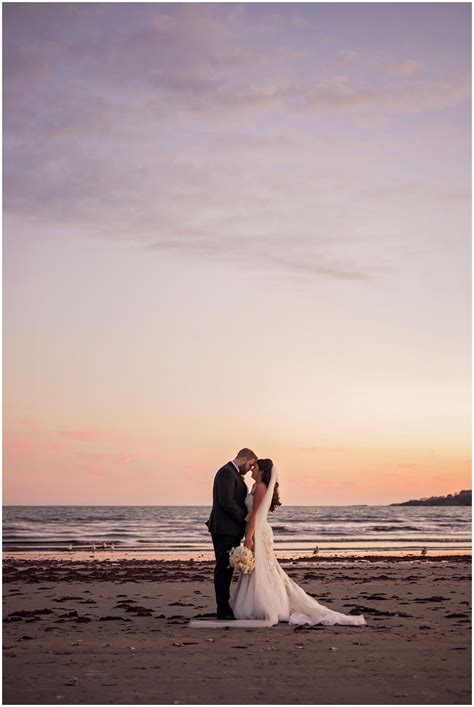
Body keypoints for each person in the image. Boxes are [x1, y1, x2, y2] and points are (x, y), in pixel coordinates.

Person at [193, 459, 366, 628]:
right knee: (259, 569)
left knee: (263, 568)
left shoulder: (261, 487)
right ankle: (250, 603)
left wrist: (250, 537)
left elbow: (255, 516)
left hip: (258, 532)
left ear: (262, 472)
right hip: (253, 530)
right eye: (252, 466)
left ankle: (267, 605)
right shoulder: (254, 486)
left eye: (255, 468)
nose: (252, 470)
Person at [205, 448, 258, 619]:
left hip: (230, 529)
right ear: (243, 459)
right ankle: (222, 609)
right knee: (223, 568)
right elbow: (226, 502)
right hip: (224, 529)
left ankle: (225, 607)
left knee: (227, 568)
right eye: (250, 465)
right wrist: (245, 517)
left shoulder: (232, 473)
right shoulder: (226, 473)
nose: (250, 469)